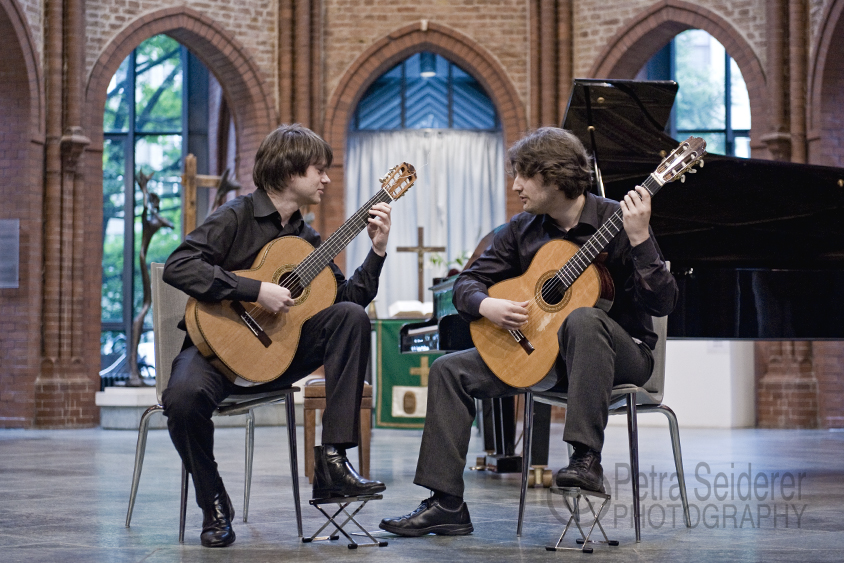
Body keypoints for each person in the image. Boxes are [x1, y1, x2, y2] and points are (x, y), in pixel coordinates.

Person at [379, 127, 678, 537]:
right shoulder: (523, 229)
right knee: (449, 371)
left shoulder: (619, 221)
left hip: (621, 355)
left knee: (583, 319)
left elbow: (663, 304)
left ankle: (585, 460)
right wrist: (488, 305)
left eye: (523, 174)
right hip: (547, 356)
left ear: (553, 176)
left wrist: (641, 238)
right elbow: (467, 283)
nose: (515, 184)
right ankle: (446, 503)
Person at [162, 124, 390, 547]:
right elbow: (179, 265)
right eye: (318, 170)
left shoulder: (307, 239)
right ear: (289, 173)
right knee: (182, 399)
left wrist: (376, 252)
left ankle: (332, 463)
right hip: (219, 349)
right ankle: (212, 500)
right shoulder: (235, 216)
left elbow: (347, 299)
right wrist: (254, 290)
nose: (326, 179)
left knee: (351, 317)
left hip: (279, 356)